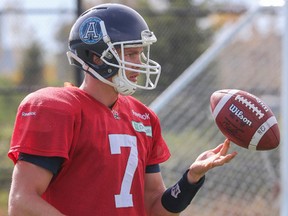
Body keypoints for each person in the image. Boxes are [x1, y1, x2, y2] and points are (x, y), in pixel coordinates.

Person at [8, 3, 237, 216]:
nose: (138, 62)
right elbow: (22, 202)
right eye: (130, 54)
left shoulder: (144, 117)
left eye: (140, 53)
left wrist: (191, 179)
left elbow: (153, 206)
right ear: (96, 57)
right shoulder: (57, 108)